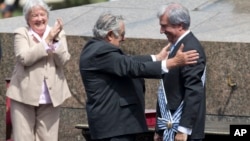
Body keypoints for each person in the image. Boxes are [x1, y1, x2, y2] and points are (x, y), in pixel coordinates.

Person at [79, 12, 200, 141]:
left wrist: (156, 58)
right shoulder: (101, 52)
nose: (124, 38)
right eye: (122, 34)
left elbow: (127, 60)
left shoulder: (95, 48)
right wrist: (172, 63)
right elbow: (131, 67)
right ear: (109, 35)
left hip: (113, 127)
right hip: (114, 128)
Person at [6, 0, 71, 141]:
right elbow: (24, 58)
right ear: (28, 19)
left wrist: (54, 41)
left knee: (48, 138)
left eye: (42, 14)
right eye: (35, 15)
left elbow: (63, 60)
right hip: (23, 96)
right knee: (23, 137)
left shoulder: (59, 34)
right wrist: (46, 40)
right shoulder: (22, 33)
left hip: (51, 97)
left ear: (47, 16)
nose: (39, 19)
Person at [154, 2, 206, 141]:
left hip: (182, 133)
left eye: (164, 26)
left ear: (180, 25)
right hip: (169, 128)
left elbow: (194, 91)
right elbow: (166, 91)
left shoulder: (190, 49)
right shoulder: (176, 47)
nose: (161, 30)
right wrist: (160, 129)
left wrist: (183, 130)